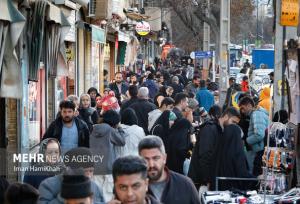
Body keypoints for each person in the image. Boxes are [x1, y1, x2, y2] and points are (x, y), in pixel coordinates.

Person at [188, 107, 241, 190]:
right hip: (200, 181)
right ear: (226, 116)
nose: (233, 126)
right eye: (233, 122)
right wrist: (208, 181)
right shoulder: (210, 129)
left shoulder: (220, 130)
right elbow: (205, 156)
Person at [138, 136, 200, 204]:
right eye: (146, 159)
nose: (151, 164)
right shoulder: (132, 188)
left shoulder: (185, 185)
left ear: (164, 158)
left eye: (155, 158)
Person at [38, 147, 105, 204]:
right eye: (84, 171)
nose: (89, 176)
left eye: (91, 171)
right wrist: (68, 193)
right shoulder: (48, 185)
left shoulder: (94, 186)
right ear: (70, 171)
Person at [90, 110, 126, 202]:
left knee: (96, 192)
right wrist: (120, 129)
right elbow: (122, 141)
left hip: (95, 166)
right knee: (108, 194)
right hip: (109, 167)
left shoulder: (92, 128)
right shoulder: (111, 130)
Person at [215, 124, 253, 190]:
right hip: (234, 190)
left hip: (218, 189)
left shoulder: (218, 150)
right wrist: (257, 179)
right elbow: (242, 174)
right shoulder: (237, 153)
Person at [239, 96, 269, 175]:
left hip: (259, 150)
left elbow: (259, 134)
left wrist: (247, 141)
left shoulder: (256, 114)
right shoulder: (257, 114)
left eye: (243, 108)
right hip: (260, 149)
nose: (242, 111)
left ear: (249, 105)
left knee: (256, 172)